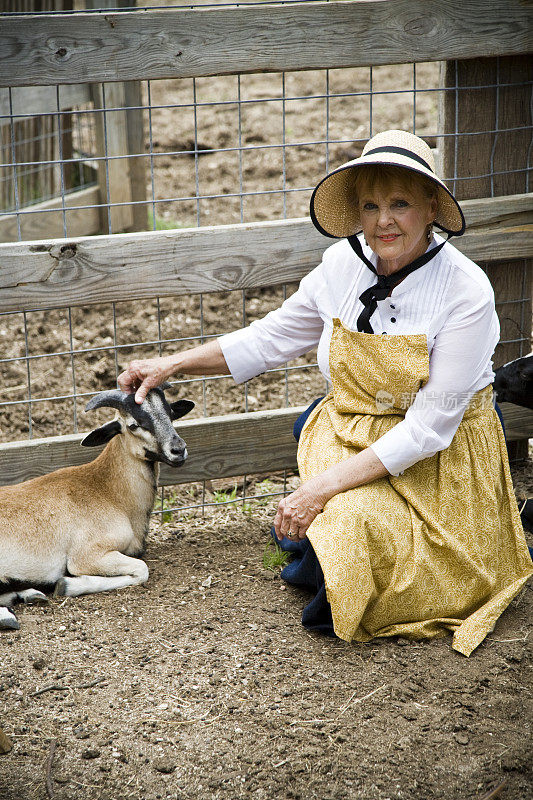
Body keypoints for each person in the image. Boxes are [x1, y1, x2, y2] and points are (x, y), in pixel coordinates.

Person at [118, 129, 533, 656]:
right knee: (337, 522)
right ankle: (320, 539)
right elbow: (270, 339)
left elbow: (429, 429)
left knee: (345, 527)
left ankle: (333, 543)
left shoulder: (465, 289)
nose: (384, 220)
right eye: (371, 205)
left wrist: (320, 489)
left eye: (401, 203)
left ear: (432, 207)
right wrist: (171, 362)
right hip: (352, 429)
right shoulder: (342, 265)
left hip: (440, 458)